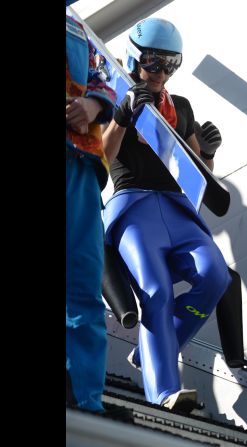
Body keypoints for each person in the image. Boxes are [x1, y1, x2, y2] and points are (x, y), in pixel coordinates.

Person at [101, 17, 229, 411]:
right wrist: (122, 115)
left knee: (215, 276)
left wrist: (207, 153)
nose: (160, 74)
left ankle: (151, 351)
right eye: (153, 63)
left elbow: (194, 171)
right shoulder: (110, 95)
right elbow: (101, 155)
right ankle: (164, 391)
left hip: (175, 208)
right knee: (155, 291)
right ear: (135, 58)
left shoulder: (180, 108)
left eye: (170, 65)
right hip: (133, 206)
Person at [66, 0, 117, 413]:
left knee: (83, 283)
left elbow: (103, 77)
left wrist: (94, 106)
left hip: (80, 167)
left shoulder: (76, 26)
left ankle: (86, 398)